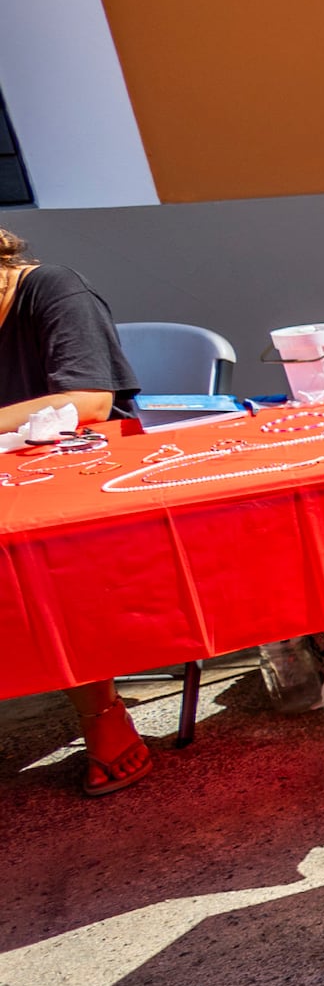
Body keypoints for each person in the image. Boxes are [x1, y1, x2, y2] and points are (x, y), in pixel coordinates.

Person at [0, 226, 152, 794]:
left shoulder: (53, 289)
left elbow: (88, 400)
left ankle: (100, 711)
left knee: (41, 558)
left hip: (90, 485)